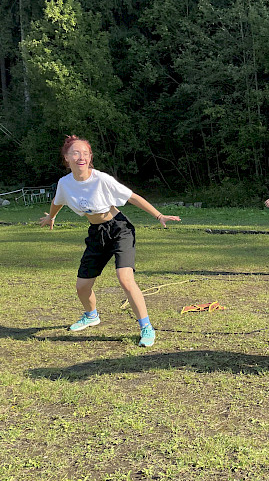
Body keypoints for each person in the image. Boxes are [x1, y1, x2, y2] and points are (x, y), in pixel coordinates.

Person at [39, 135, 181, 347]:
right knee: (82, 286)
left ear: (90, 158)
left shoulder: (101, 179)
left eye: (86, 153)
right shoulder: (65, 184)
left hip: (119, 229)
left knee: (125, 278)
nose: (81, 157)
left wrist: (159, 215)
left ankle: (146, 327)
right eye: (76, 153)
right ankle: (91, 316)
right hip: (96, 233)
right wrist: (51, 217)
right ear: (66, 158)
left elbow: (132, 197)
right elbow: (57, 201)